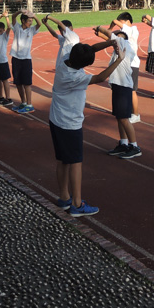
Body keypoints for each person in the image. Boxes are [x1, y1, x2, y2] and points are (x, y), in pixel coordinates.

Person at [49, 41, 125, 217]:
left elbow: (88, 49)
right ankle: (76, 203)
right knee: (75, 161)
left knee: (62, 160)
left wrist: (109, 43)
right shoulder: (74, 77)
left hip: (56, 119)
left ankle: (64, 197)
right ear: (84, 64)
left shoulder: (65, 60)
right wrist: (119, 59)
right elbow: (99, 78)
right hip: (69, 123)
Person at [93, 25, 141, 159]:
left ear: (121, 38)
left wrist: (99, 28)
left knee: (124, 118)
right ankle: (124, 143)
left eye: (116, 37)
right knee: (120, 117)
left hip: (123, 86)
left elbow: (109, 35)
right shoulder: (121, 48)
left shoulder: (123, 43)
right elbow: (108, 38)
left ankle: (134, 146)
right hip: (118, 85)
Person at [111, 13, 142, 123]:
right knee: (126, 90)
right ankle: (127, 110)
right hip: (127, 64)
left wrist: (112, 25)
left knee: (132, 91)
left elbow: (115, 22)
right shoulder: (126, 31)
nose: (120, 27)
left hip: (132, 64)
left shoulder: (133, 29)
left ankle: (136, 114)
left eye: (122, 23)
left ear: (127, 21)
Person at [10, 9, 42, 114]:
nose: (31, 22)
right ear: (23, 21)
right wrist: (19, 11)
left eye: (31, 21)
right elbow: (13, 17)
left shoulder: (31, 30)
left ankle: (29, 104)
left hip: (26, 60)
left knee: (27, 83)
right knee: (18, 83)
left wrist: (33, 16)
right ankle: (23, 102)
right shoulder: (17, 28)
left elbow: (39, 23)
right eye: (29, 21)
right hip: (16, 58)